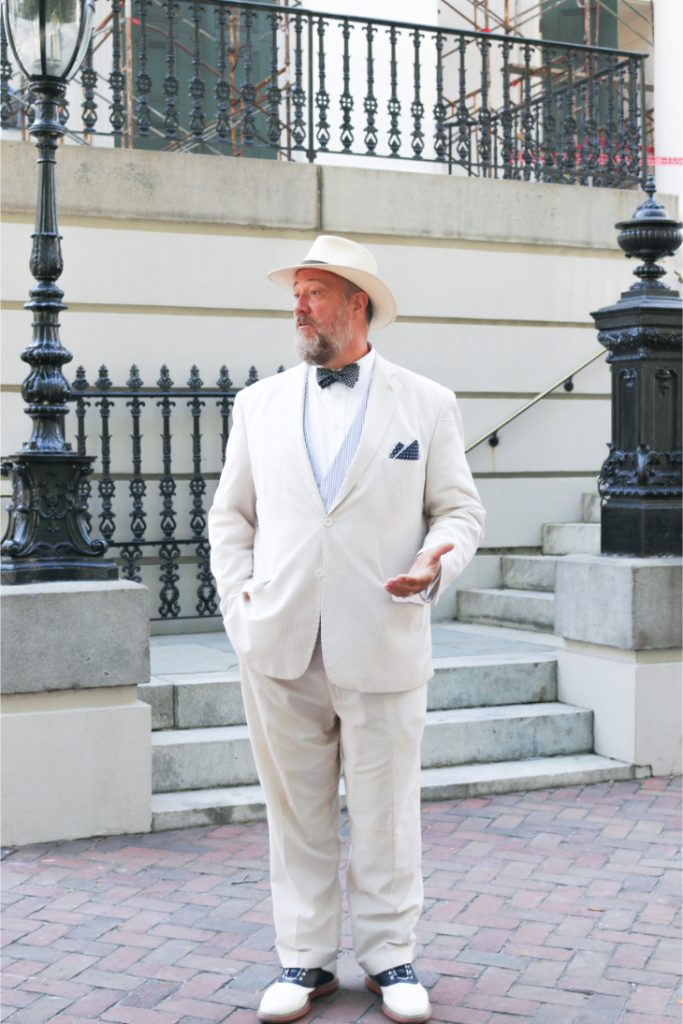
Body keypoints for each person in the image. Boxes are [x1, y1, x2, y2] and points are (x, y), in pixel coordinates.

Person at [208, 235, 485, 1024]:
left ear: (357, 303)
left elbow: (458, 508)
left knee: (385, 809)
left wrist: (437, 559)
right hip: (279, 642)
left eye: (313, 292)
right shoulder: (255, 404)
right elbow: (231, 518)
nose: (297, 306)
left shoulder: (425, 402)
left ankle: (390, 957)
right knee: (293, 809)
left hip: (383, 638)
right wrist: (240, 605)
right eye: (294, 292)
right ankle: (305, 961)